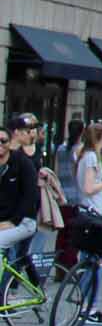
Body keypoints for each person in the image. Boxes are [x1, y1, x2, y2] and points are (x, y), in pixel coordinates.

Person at [0, 113, 42, 274]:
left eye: (3, 141)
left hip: (22, 220)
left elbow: (30, 195)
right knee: (18, 256)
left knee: (15, 251)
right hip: (5, 218)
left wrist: (13, 221)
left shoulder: (23, 163)